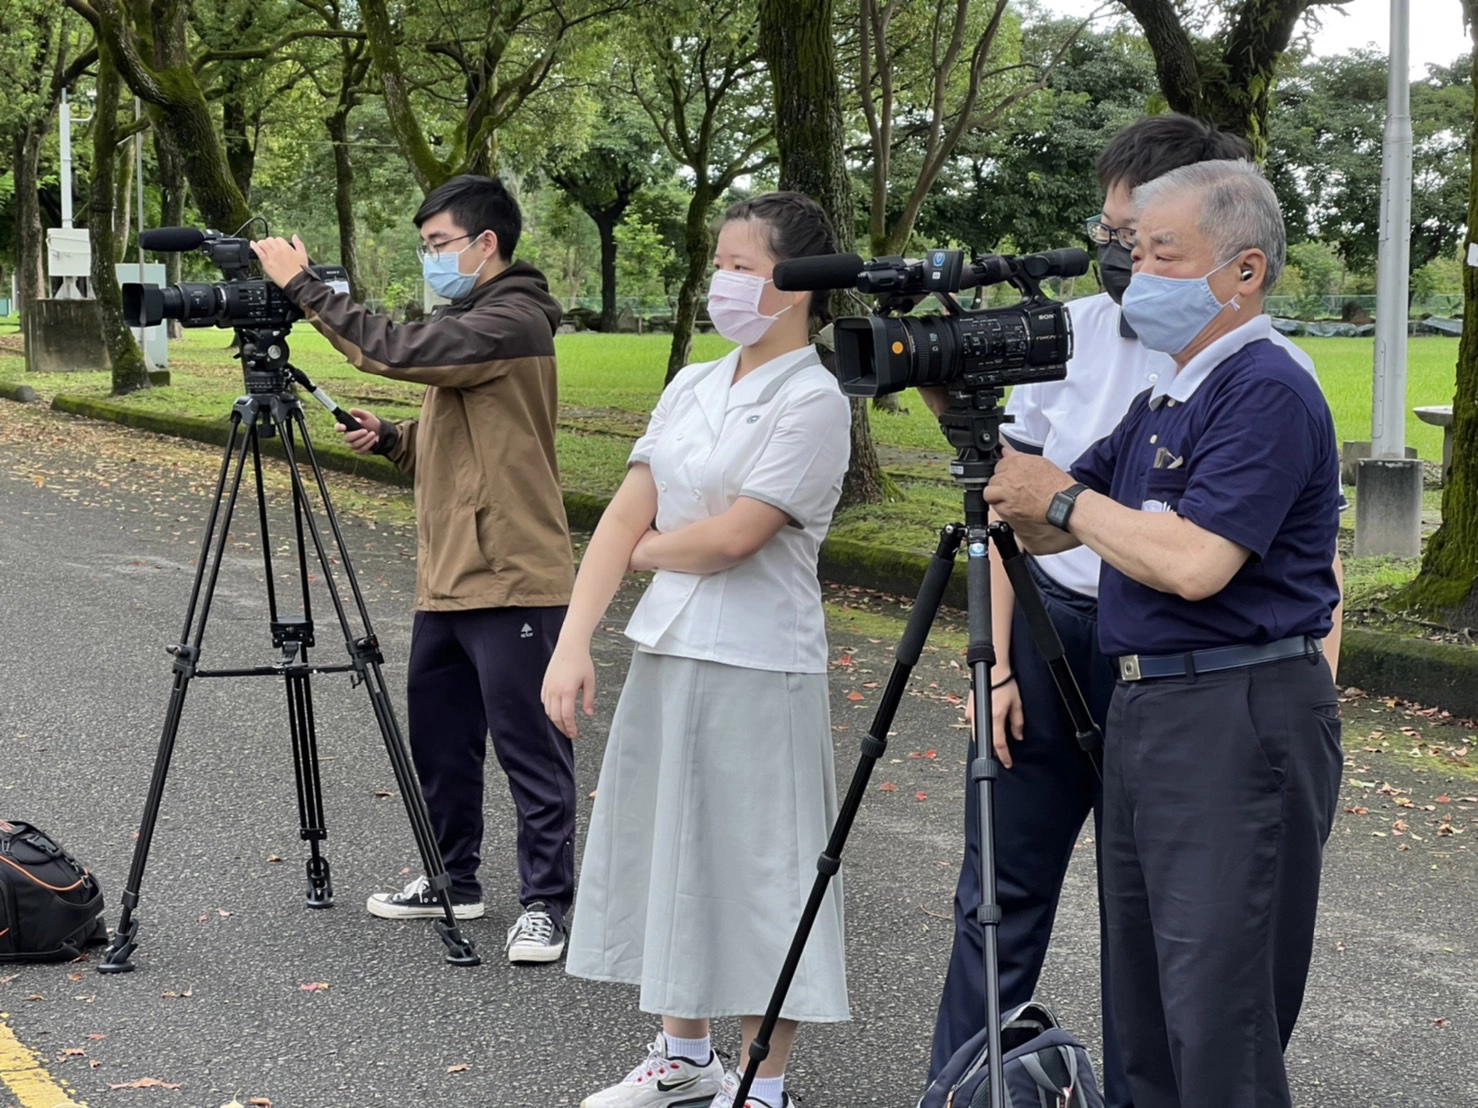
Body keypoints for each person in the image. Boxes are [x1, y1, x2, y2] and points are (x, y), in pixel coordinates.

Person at [924, 115, 1344, 1107]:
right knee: (1145, 1005)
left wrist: (1058, 500)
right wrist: (959, 389)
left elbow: (1194, 561)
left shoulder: (1264, 388)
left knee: (1215, 1013)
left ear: (1241, 273)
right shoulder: (1166, 394)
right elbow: (1053, 520)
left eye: (1159, 252)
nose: (1133, 270)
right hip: (1149, 699)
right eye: (1127, 247)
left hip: (1231, 708)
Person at [541, 192, 852, 1108]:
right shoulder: (691, 384)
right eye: (718, 263)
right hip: (669, 647)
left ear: (793, 286)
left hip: (761, 661)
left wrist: (647, 548)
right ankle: (684, 1055)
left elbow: (734, 539)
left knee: (762, 864)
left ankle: (762, 1082)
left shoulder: (816, 398)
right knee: (668, 844)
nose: (722, 282)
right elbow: (624, 514)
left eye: (742, 266)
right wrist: (573, 642)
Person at [251, 174, 578, 964]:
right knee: (441, 740)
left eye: (438, 246)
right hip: (453, 574)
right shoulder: (476, 321)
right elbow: (470, 437)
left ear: (485, 243)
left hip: (512, 571)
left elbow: (391, 349)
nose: (432, 260)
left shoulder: (511, 317)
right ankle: (451, 876)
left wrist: (301, 286)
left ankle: (548, 904)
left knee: (529, 744)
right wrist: (396, 438)